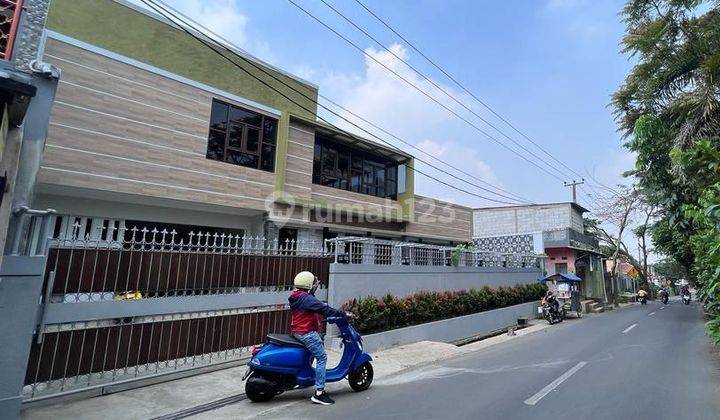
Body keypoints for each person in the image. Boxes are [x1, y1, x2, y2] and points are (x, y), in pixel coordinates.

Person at [289, 271, 351, 406]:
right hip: (307, 333)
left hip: (298, 331)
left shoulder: (298, 296)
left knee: (313, 352)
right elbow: (324, 308)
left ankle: (307, 378)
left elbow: (314, 310)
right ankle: (319, 393)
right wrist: (342, 313)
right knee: (322, 357)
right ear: (308, 285)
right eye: (314, 284)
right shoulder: (307, 299)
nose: (316, 285)